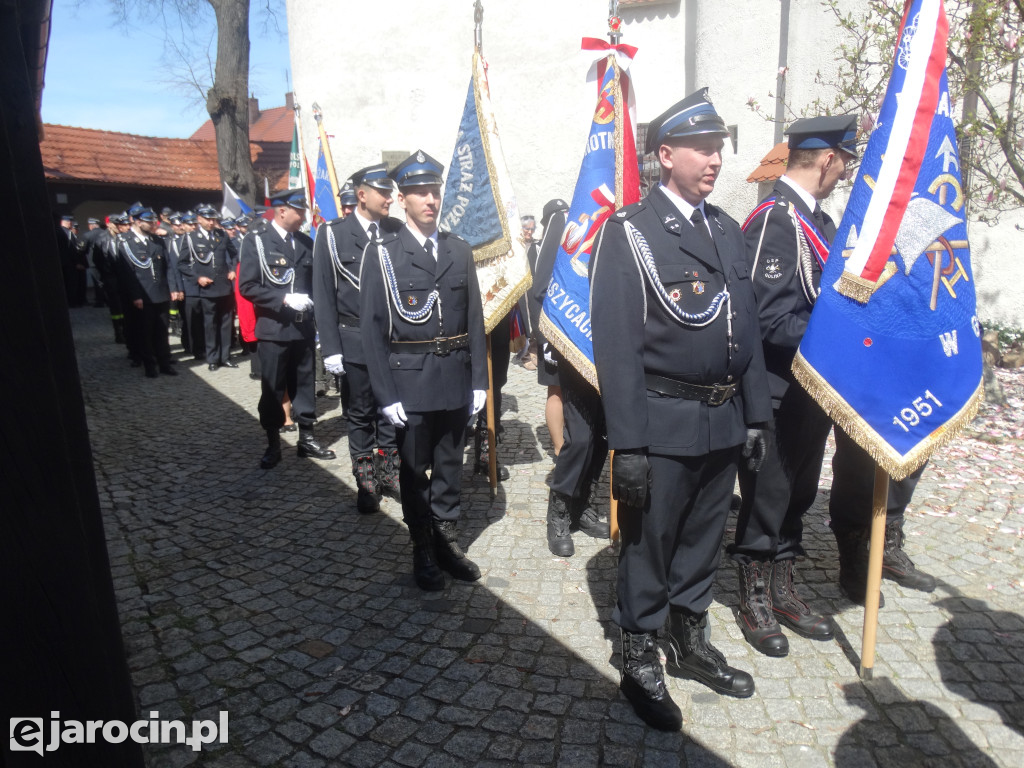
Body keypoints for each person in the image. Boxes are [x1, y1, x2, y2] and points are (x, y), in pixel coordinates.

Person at [589, 89, 771, 730]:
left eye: (718, 148)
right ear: (666, 155)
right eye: (701, 148)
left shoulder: (724, 229)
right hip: (662, 421)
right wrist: (628, 445)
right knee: (649, 542)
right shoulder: (630, 234)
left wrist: (756, 416)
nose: (714, 160)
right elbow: (616, 348)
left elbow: (742, 327)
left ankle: (689, 638)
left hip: (721, 418)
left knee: (701, 538)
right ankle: (638, 649)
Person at [728, 115, 857, 655]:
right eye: (845, 160)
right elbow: (763, 319)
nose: (846, 170)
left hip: (811, 392)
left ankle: (784, 585)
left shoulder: (820, 225)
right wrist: (837, 335)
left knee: (798, 494)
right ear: (827, 158)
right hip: (777, 392)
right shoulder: (775, 221)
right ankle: (754, 593)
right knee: (767, 496)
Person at [360, 151, 487, 591]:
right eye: (419, 193)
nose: (429, 199)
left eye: (434, 191)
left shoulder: (458, 250)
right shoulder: (386, 254)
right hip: (409, 380)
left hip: (454, 375)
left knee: (450, 465)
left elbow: (474, 320)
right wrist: (386, 393)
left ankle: (448, 541)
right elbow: (373, 330)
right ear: (402, 199)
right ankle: (423, 548)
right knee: (414, 471)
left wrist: (479, 383)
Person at [312, 164, 403, 514]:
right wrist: (331, 347)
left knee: (390, 410)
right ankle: (366, 479)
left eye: (392, 192)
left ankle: (389, 472)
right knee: (360, 412)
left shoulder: (396, 230)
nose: (391, 199)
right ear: (362, 194)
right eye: (383, 192)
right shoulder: (333, 234)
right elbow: (323, 293)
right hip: (355, 340)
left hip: (392, 340)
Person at [239, 190, 337, 469]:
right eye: (300, 210)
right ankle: (273, 442)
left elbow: (315, 285)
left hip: (302, 329)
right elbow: (247, 286)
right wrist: (282, 299)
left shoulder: (305, 243)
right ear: (282, 211)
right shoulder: (256, 242)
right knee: (273, 387)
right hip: (273, 329)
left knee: (304, 385)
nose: (305, 216)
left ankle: (307, 438)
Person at [115, 205, 183, 378]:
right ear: (137, 222)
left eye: (153, 221)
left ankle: (164, 363)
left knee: (162, 331)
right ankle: (149, 365)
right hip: (143, 295)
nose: (153, 224)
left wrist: (173, 287)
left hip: (160, 293)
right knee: (145, 332)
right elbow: (127, 273)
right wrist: (135, 295)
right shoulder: (126, 242)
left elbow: (168, 267)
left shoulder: (157, 241)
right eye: (149, 221)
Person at [529, 199, 569, 457]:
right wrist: (538, 337)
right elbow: (538, 290)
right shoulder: (543, 247)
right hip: (553, 329)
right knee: (556, 388)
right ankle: (559, 449)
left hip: (570, 328)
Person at [180, 204, 239, 370]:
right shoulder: (191, 238)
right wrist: (197, 278)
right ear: (199, 219)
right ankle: (212, 358)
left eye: (213, 219)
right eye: (208, 219)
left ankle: (225, 356)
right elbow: (182, 264)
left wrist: (233, 269)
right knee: (210, 324)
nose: (212, 222)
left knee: (226, 323)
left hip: (224, 287)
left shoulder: (221, 235)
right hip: (207, 289)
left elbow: (234, 254)